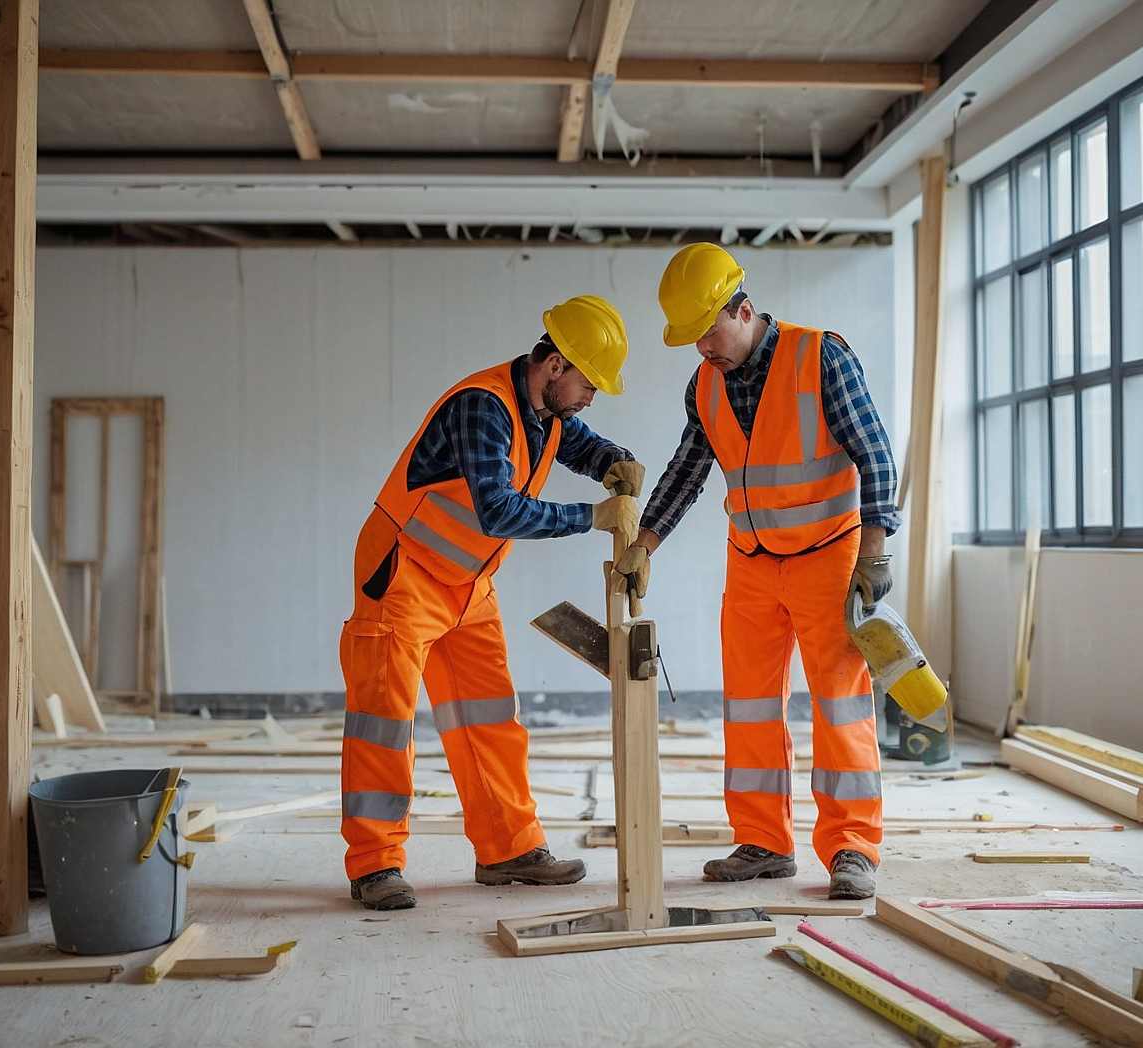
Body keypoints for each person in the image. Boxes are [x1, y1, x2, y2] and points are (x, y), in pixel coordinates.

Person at [341, 295, 646, 910]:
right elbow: (499, 509)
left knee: (489, 719)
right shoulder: (483, 407)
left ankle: (508, 849)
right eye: (590, 382)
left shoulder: (545, 411)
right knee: (384, 721)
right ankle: (375, 864)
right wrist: (594, 515)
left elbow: (579, 444)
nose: (592, 397)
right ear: (556, 366)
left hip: (468, 584)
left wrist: (616, 462)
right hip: (405, 573)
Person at [616, 244, 898, 899]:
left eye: (709, 333)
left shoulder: (821, 357)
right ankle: (764, 841)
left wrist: (875, 551)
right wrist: (645, 544)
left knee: (840, 706)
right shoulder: (706, 383)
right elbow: (689, 469)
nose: (703, 350)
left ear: (743, 310)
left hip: (829, 560)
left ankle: (853, 846)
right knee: (747, 710)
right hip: (748, 563)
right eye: (691, 341)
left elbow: (876, 455)